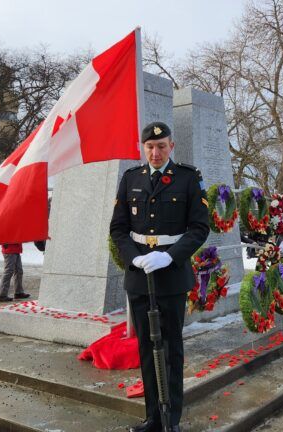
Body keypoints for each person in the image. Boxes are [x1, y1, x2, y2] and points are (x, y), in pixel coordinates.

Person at [110, 121, 209, 432]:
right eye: (150, 147)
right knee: (146, 349)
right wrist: (134, 257)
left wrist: (169, 255)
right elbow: (118, 228)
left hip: (171, 275)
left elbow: (199, 228)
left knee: (171, 348)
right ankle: (153, 417)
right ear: (143, 148)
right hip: (140, 276)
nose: (155, 152)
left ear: (171, 146)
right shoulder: (130, 179)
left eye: (161, 146)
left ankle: (172, 419)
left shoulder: (188, 178)